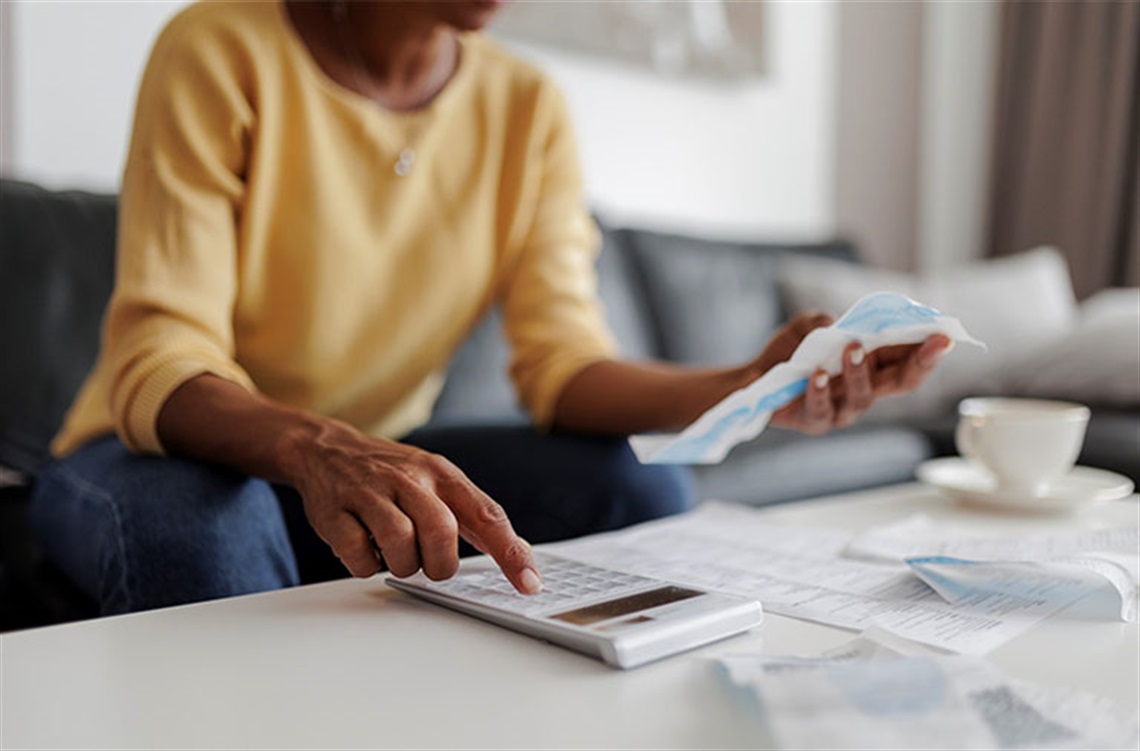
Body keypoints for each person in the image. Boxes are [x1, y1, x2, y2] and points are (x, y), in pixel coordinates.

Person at [31, 0, 950, 616]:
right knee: (214, 526)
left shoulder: (526, 107)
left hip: (370, 456)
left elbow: (563, 366)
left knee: (642, 484)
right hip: (159, 445)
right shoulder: (220, 46)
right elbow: (163, 355)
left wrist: (747, 384)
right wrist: (318, 445)